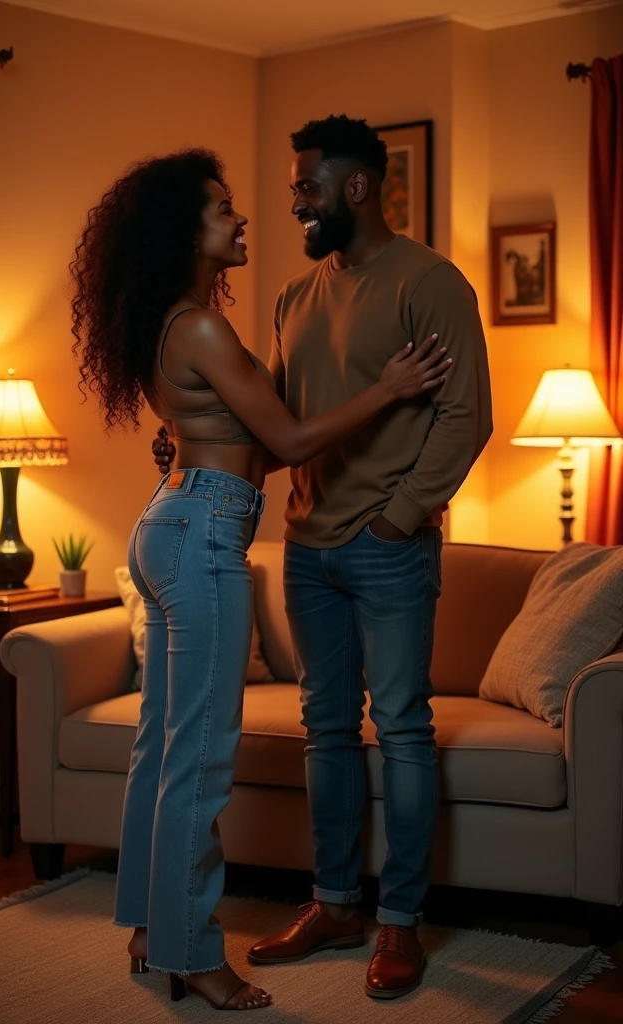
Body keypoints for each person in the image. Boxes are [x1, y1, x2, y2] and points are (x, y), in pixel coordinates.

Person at [70, 148, 450, 1012]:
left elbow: (250, 444)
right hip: (201, 534)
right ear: (184, 231)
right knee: (200, 763)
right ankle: (196, 954)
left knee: (160, 747)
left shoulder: (179, 320)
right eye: (221, 211)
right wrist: (390, 387)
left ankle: (147, 926)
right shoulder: (199, 326)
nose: (242, 220)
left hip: (174, 520)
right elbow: (288, 441)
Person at [153, 115, 493, 1001]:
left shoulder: (431, 283)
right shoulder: (295, 298)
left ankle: (399, 924)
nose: (293, 203)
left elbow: (466, 415)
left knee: (405, 730)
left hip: (387, 548)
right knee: (327, 730)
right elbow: (276, 426)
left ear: (355, 188)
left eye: (306, 187)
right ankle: (336, 903)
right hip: (306, 548)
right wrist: (194, 451)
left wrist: (402, 516)